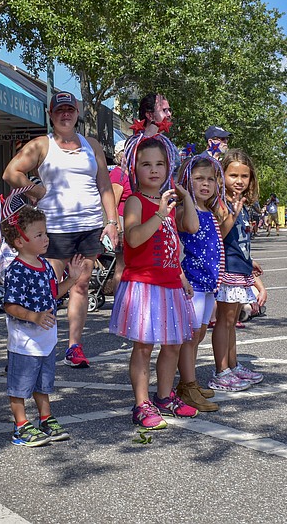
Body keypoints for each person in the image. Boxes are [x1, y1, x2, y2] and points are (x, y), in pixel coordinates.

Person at [3, 91, 118, 369]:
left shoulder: (92, 145)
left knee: (80, 284)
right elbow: (10, 173)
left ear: (77, 113)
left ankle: (74, 346)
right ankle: (33, 346)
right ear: (51, 115)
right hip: (53, 229)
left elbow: (104, 185)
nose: (65, 115)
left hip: (88, 226)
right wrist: (34, 187)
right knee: (47, 287)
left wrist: (112, 222)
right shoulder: (42, 145)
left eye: (70, 110)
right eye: (59, 111)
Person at [109, 135, 199, 430]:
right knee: (144, 347)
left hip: (170, 283)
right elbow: (133, 238)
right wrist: (160, 212)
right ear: (135, 168)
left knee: (172, 345)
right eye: (146, 164)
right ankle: (141, 403)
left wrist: (185, 197)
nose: (154, 170)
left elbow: (182, 236)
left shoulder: (169, 202)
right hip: (145, 286)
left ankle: (164, 396)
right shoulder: (136, 201)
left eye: (160, 164)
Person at [1, 206, 83, 446]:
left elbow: (53, 292)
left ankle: (45, 418)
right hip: (24, 340)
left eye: (45, 233)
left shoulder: (45, 265)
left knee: (42, 383)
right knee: (19, 385)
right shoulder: (17, 270)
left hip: (46, 339)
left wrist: (73, 278)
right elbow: (9, 305)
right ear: (19, 241)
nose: (46, 238)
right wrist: (33, 316)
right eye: (39, 235)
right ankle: (20, 425)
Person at [209, 149, 265, 392]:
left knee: (232, 322)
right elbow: (219, 235)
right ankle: (221, 371)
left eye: (245, 176)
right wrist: (234, 212)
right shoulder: (221, 203)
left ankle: (233, 365)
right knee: (224, 321)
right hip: (226, 269)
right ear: (222, 176)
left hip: (239, 266)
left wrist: (249, 261)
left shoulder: (241, 204)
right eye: (233, 175)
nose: (240, 181)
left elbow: (238, 239)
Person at [175, 152, 224, 413]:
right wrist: (185, 197)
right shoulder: (185, 209)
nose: (205, 184)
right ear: (186, 181)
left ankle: (187, 382)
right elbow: (190, 229)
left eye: (211, 179)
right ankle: (187, 384)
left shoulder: (210, 210)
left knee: (199, 334)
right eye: (198, 179)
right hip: (191, 283)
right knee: (189, 336)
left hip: (208, 284)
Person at [108, 139, 131, 292]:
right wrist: (118, 227)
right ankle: (118, 303)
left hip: (130, 221)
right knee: (121, 265)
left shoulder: (128, 173)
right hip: (121, 221)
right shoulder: (118, 174)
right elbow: (113, 202)